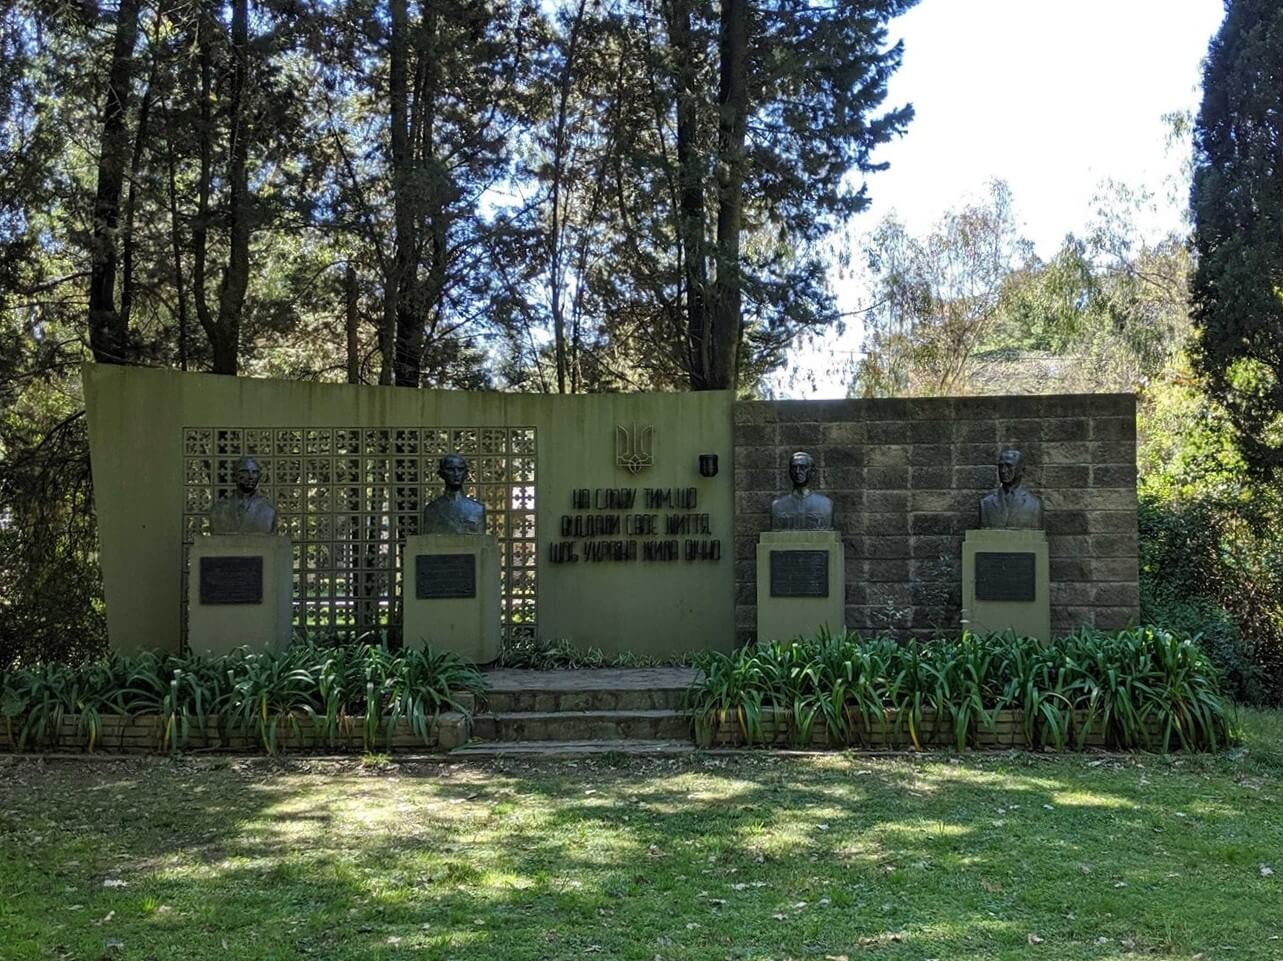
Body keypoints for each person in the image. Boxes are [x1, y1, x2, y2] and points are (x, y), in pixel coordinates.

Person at [209, 456, 278, 534]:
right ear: (234, 476)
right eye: (245, 472)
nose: (250, 477)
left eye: (255, 472)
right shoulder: (218, 510)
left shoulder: (268, 511)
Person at [421, 453, 487, 534]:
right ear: (441, 474)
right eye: (450, 469)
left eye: (460, 469)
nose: (456, 474)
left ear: (466, 473)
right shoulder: (431, 509)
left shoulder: (478, 509)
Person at [979, 449, 1042, 529]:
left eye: (1009, 466)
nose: (1003, 471)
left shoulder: (1034, 505)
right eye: (1001, 466)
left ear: (1021, 470)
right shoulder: (986, 503)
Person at [770, 451, 834, 531]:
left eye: (803, 467)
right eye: (794, 467)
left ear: (812, 471)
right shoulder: (778, 506)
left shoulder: (825, 504)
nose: (798, 471)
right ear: (790, 472)